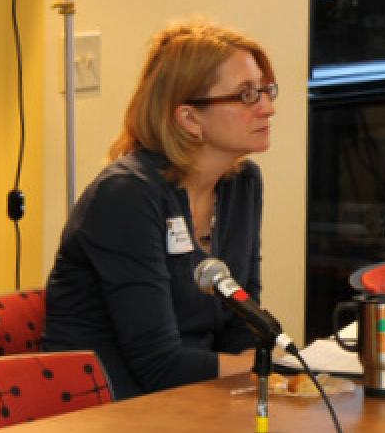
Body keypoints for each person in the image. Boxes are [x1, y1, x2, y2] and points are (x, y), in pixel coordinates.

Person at [43, 21, 277, 399]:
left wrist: (267, 373)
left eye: (266, 90)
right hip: (106, 408)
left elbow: (240, 324)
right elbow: (157, 363)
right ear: (189, 118)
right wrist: (270, 370)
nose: (268, 108)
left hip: (194, 398)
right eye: (247, 95)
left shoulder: (241, 184)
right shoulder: (127, 195)